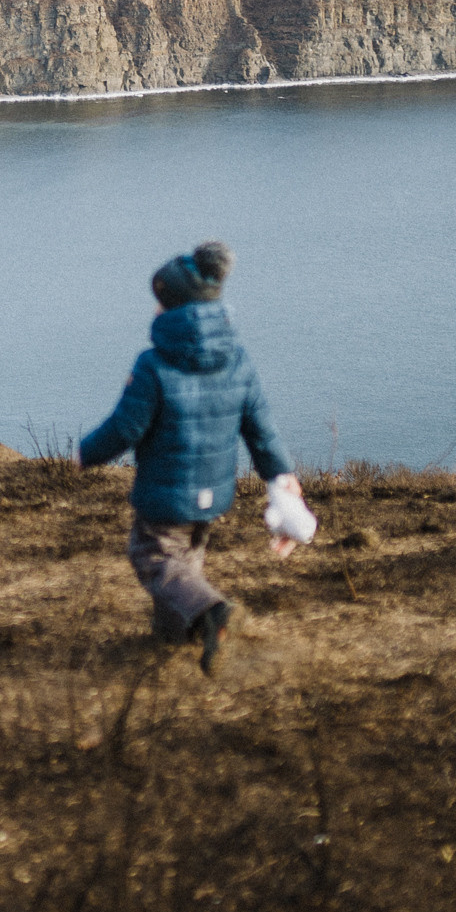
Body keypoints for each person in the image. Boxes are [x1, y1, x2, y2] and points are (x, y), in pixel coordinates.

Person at [77, 240, 300, 675]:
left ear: (173, 310)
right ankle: (176, 635)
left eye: (160, 303)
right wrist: (281, 475)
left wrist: (86, 453)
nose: (155, 311)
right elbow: (261, 428)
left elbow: (126, 427)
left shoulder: (154, 365)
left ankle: (214, 611)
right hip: (212, 492)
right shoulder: (237, 362)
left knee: (154, 556)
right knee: (186, 561)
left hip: (166, 493)